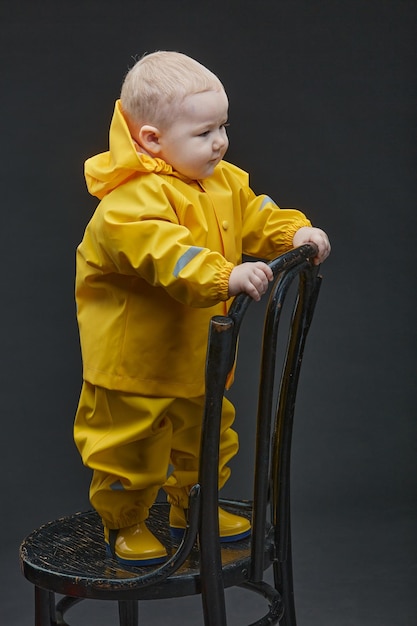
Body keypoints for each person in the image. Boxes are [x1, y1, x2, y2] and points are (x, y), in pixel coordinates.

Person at [74, 50, 330, 567]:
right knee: (129, 449)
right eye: (203, 132)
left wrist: (290, 232)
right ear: (151, 139)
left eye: (223, 126)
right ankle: (126, 524)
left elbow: (254, 212)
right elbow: (164, 253)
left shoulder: (223, 180)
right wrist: (224, 274)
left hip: (198, 355)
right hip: (135, 367)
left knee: (208, 435)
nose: (220, 142)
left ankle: (193, 506)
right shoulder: (128, 203)